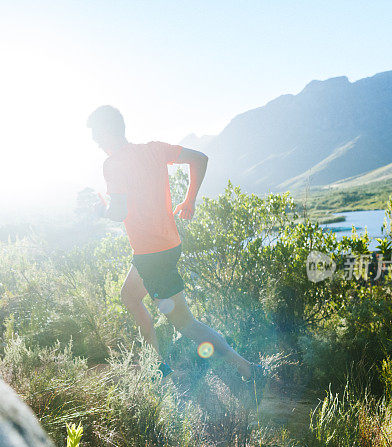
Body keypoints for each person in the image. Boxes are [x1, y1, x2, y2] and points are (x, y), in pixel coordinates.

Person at [86, 105, 265, 388]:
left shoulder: (113, 165)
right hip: (167, 244)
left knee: (186, 324)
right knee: (130, 296)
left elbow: (118, 212)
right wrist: (190, 199)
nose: (95, 140)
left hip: (151, 255)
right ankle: (158, 367)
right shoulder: (154, 149)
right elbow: (200, 158)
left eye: (96, 133)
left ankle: (247, 369)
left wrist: (99, 210)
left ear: (108, 131)